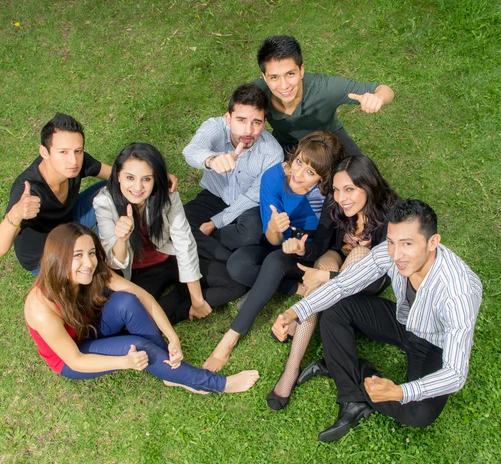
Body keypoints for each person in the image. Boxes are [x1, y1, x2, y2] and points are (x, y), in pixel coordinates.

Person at [272, 199, 482, 442]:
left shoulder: (459, 292)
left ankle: (345, 367)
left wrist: (400, 391)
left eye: (407, 244)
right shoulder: (390, 253)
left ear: (433, 242)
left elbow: (455, 373)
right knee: (336, 305)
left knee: (420, 414)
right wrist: (296, 311)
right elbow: (343, 284)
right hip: (403, 320)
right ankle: (351, 393)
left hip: (433, 342)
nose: (396, 254)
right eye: (392, 242)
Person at [24, 222, 260, 394]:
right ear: (57, 258)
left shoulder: (94, 271)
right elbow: (75, 360)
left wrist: (172, 337)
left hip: (91, 326)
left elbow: (143, 296)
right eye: (77, 255)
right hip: (74, 355)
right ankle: (219, 384)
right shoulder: (40, 307)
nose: (88, 263)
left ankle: (169, 372)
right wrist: (124, 362)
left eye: (91, 253)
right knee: (138, 347)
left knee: (127, 300)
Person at [202, 131, 343, 372]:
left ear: (323, 178)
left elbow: (320, 246)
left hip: (298, 253)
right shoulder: (275, 175)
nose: (298, 175)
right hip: (272, 238)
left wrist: (300, 249)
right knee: (238, 266)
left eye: (310, 172)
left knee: (275, 263)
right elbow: (271, 238)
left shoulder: (328, 198)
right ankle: (295, 289)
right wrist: (275, 230)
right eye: (299, 162)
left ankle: (231, 337)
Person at [266, 154, 398, 411]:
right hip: (337, 259)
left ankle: (300, 322)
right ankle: (291, 370)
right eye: (337, 190)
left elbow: (378, 278)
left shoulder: (391, 216)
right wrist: (304, 252)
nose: (341, 198)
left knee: (359, 253)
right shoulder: (335, 203)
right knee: (326, 264)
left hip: (368, 277)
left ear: (368, 186)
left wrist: (325, 278)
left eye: (349, 189)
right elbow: (323, 246)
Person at [93, 142, 247, 325]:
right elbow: (113, 261)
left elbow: (184, 243)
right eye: (130, 178)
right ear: (118, 175)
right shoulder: (104, 202)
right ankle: (181, 301)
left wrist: (197, 299)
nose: (137, 187)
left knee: (236, 283)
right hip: (138, 271)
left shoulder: (167, 196)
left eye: (146, 179)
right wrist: (121, 238)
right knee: (130, 320)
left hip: (168, 257)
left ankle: (185, 295)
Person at [0, 113, 111, 275]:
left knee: (118, 189)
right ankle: (101, 262)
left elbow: (118, 176)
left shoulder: (78, 162)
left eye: (78, 151)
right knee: (92, 277)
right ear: (44, 152)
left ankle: (108, 251)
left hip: (69, 221)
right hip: (46, 254)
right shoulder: (28, 190)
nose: (73, 161)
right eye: (63, 152)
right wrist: (17, 213)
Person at [183, 83, 284, 264]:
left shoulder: (273, 153)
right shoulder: (215, 127)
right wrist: (211, 160)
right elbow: (191, 151)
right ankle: (227, 258)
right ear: (228, 119)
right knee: (177, 225)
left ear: (264, 123)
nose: (248, 131)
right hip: (215, 194)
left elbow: (253, 198)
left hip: (246, 204)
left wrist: (215, 223)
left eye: (256, 122)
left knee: (250, 233)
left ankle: (199, 247)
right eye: (241, 120)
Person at [254, 35, 395, 155]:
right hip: (288, 144)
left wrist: (379, 98)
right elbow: (235, 119)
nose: (284, 85)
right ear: (264, 77)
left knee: (361, 176)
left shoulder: (325, 88)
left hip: (329, 137)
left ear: (301, 70)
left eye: (290, 74)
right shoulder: (256, 93)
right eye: (274, 77)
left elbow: (385, 90)